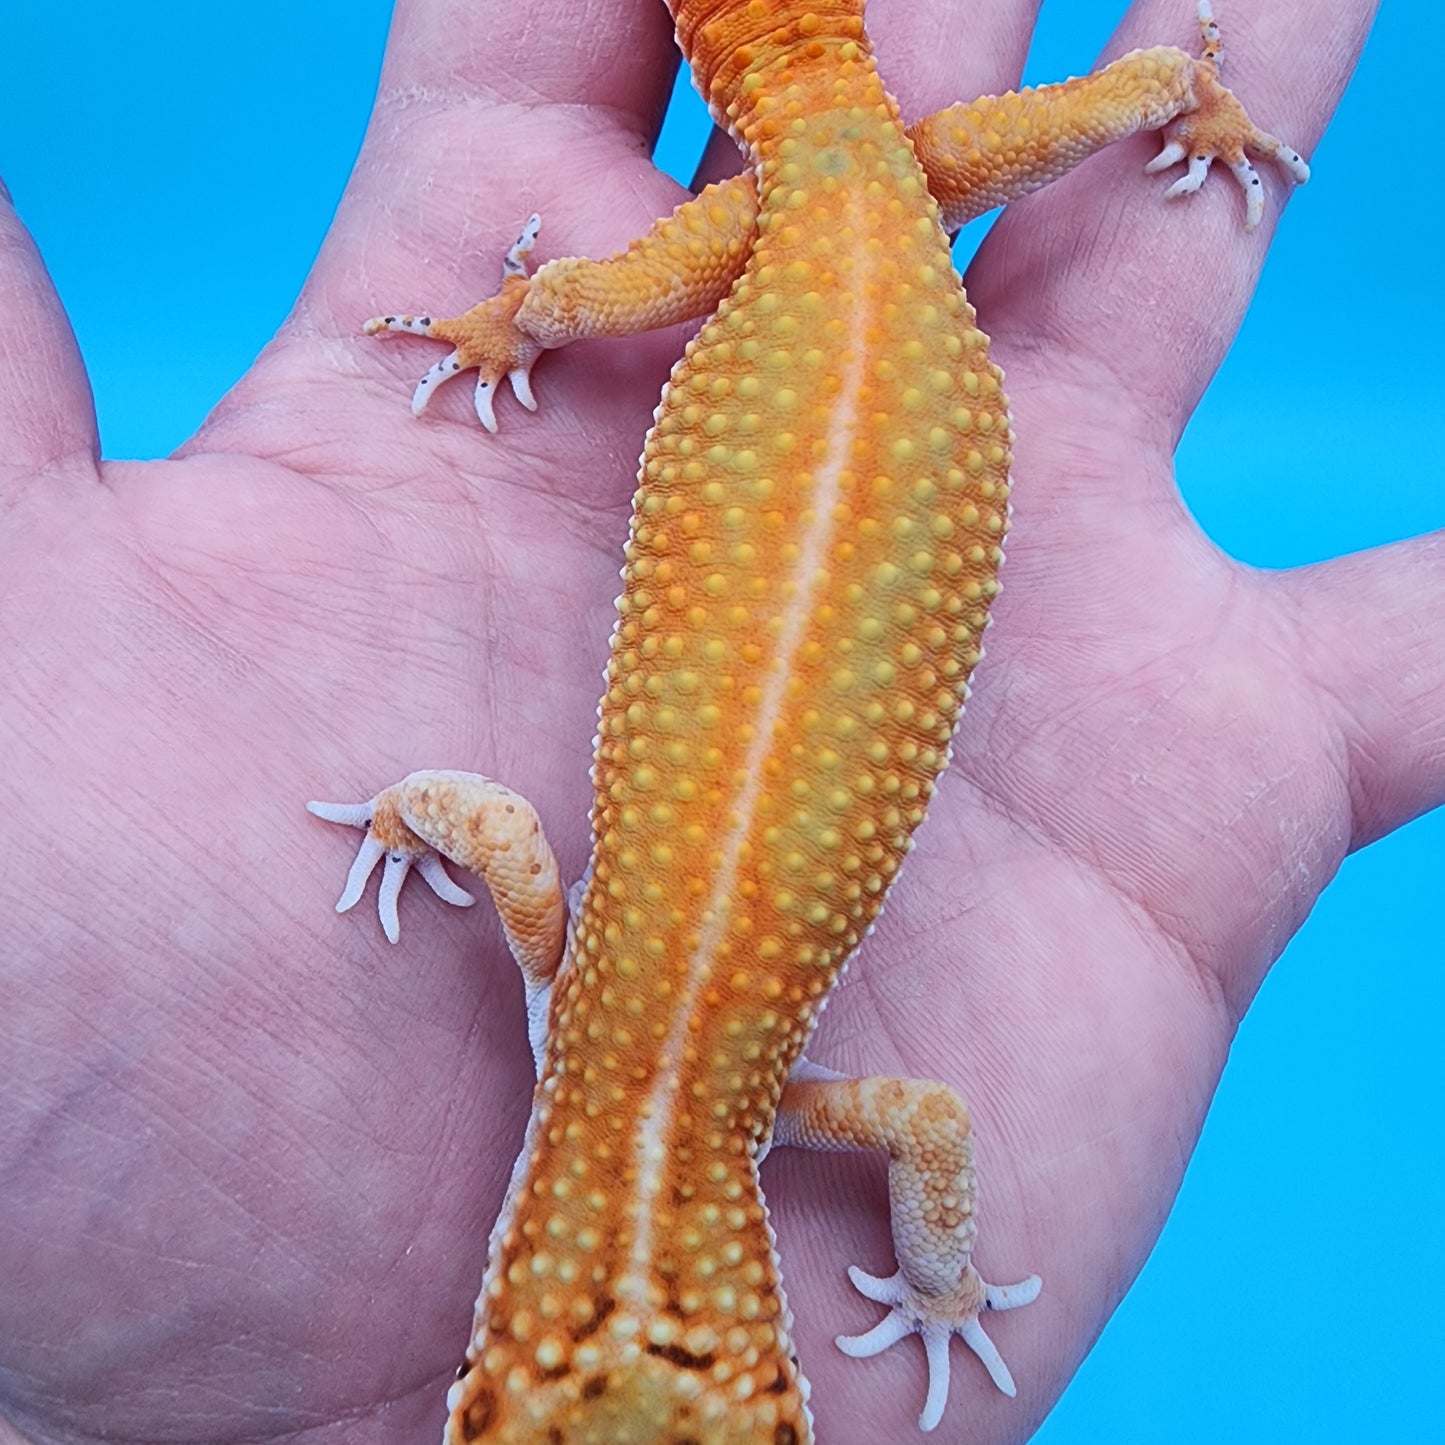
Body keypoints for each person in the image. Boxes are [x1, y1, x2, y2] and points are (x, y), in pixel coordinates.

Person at [0, 1, 1434, 1441]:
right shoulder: (565, 969)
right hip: (854, 211)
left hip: (825, 222)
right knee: (608, 287)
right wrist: (397, 814)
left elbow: (926, 1133)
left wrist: (944, 1286)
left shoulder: (789, 1100)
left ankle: (1162, 90)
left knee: (607, 288)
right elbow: (473, 815)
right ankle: (1173, 90)